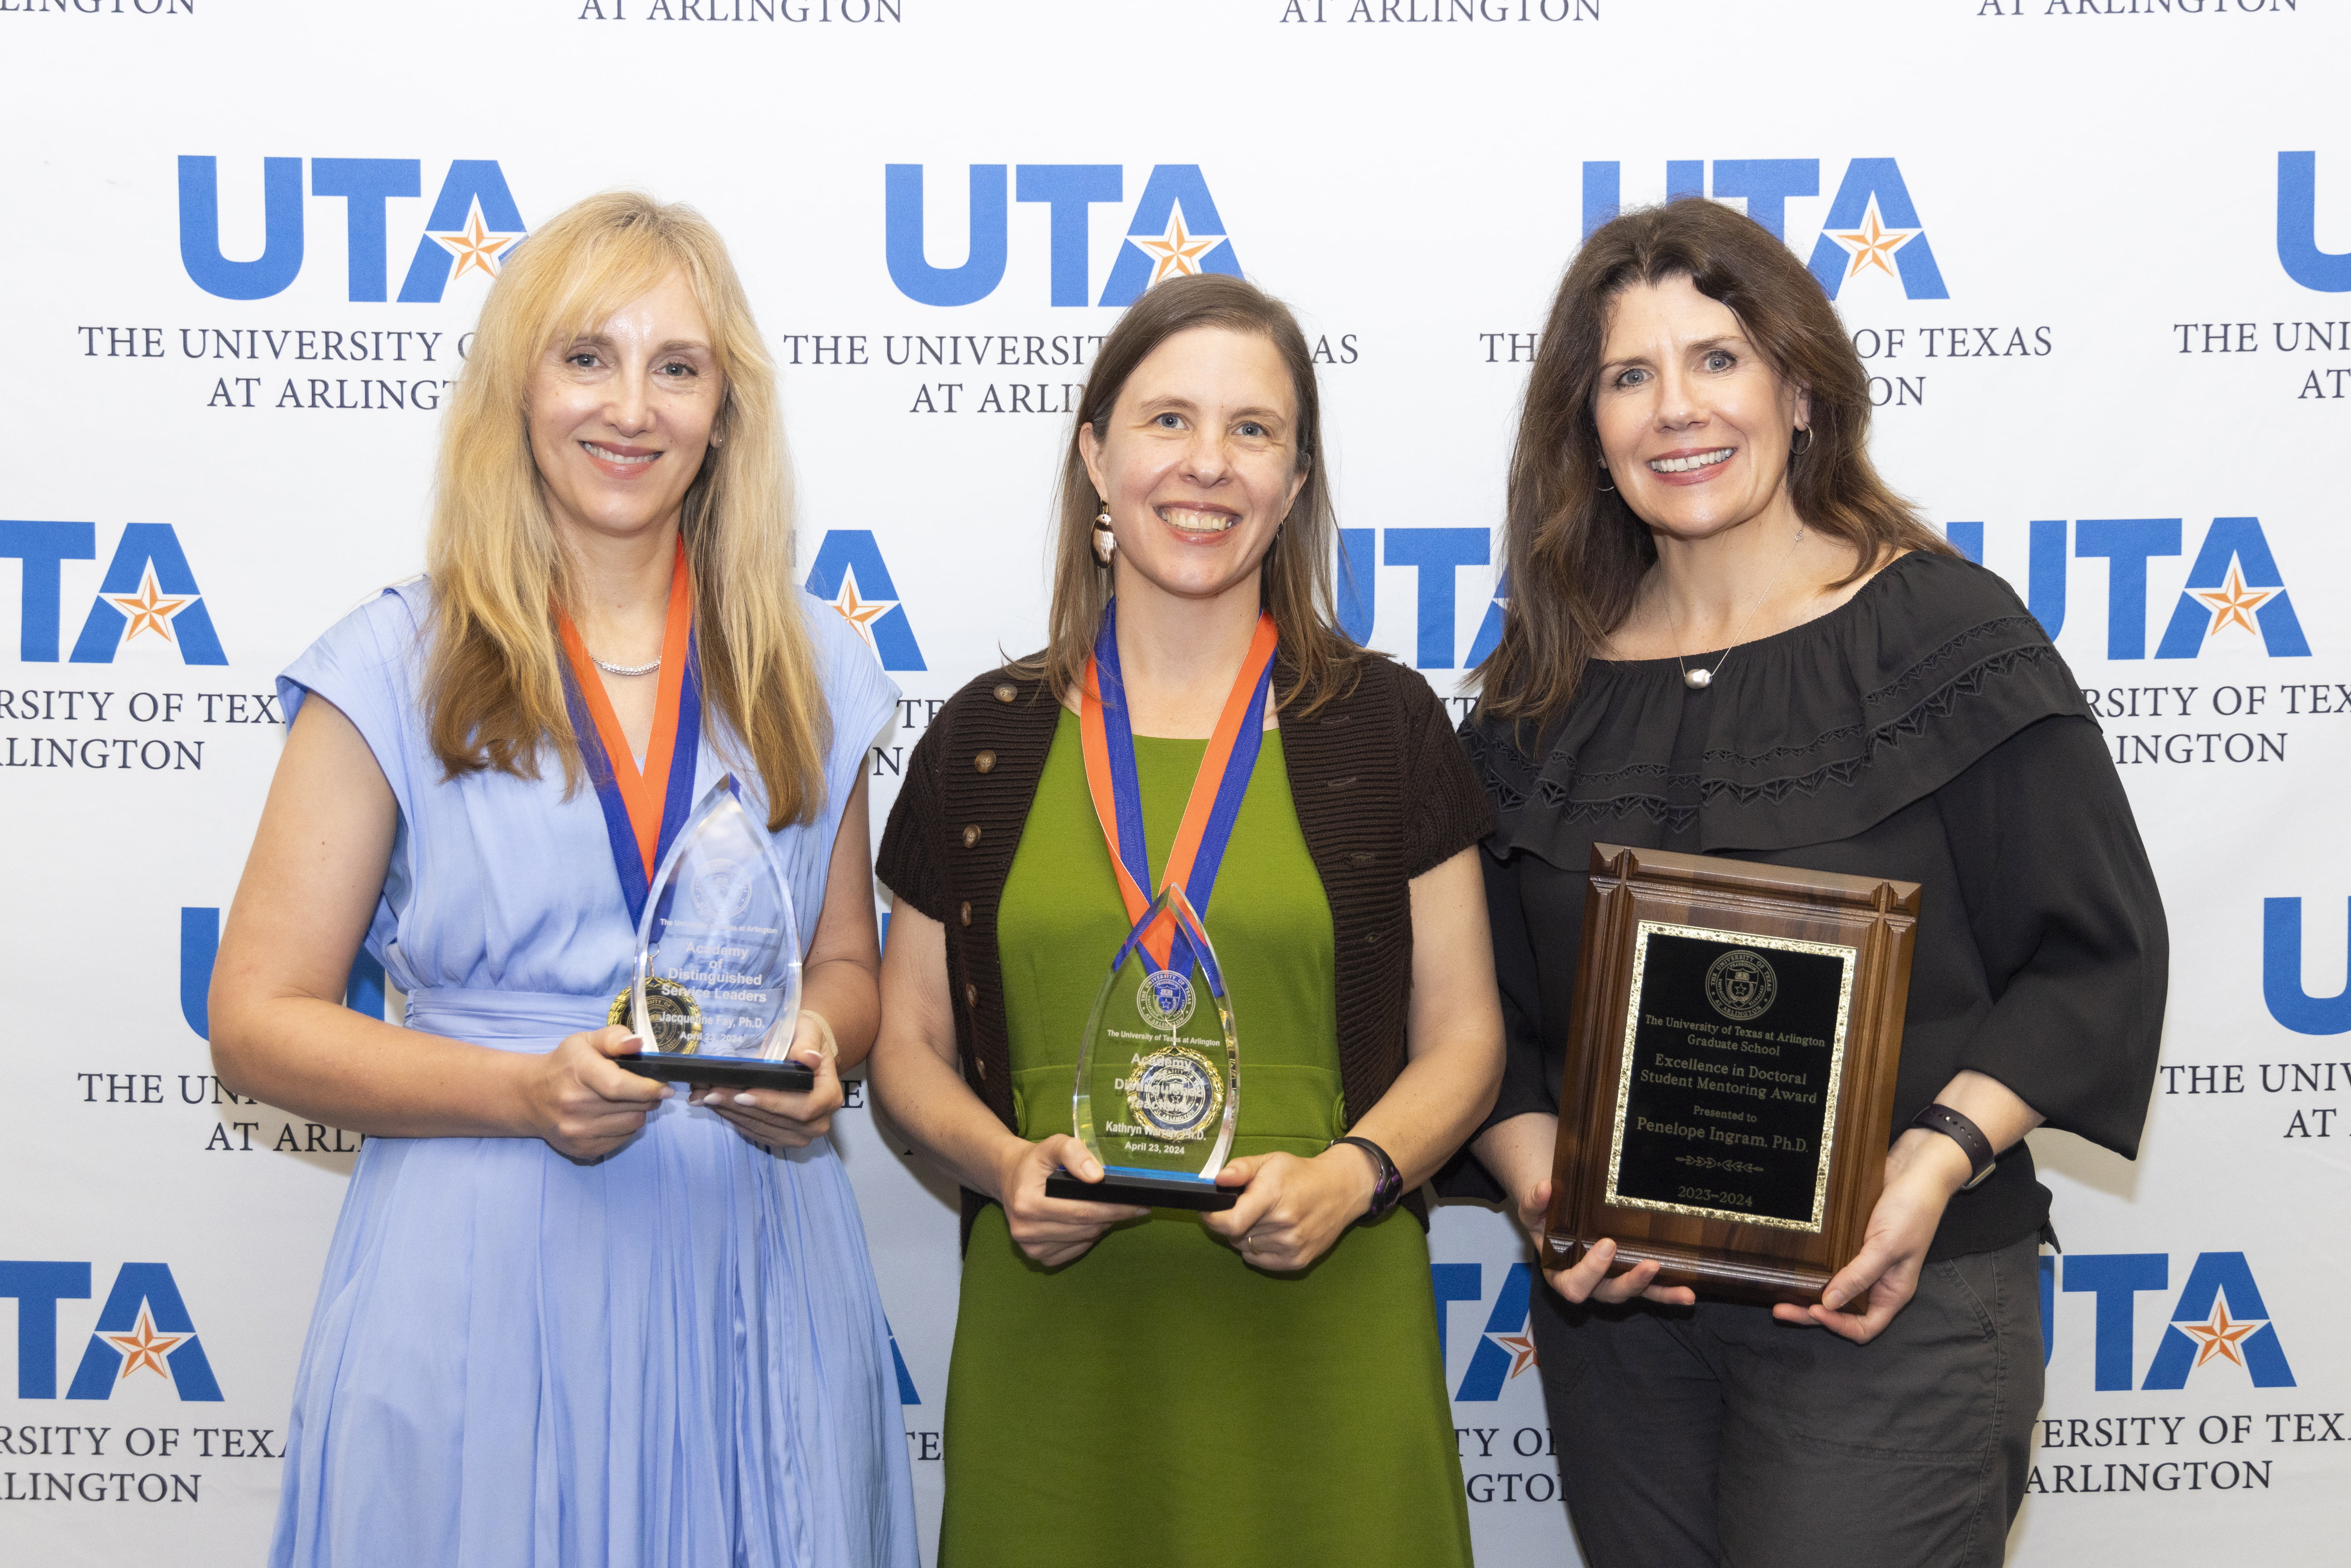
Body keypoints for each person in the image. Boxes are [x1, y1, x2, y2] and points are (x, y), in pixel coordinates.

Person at [209, 192, 917, 1568]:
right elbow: (255, 1016)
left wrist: (820, 1046)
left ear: (728, 410)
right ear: (515, 386)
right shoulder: (393, 662)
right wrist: (518, 1091)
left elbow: (844, 963)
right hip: (480, 1262)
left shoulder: (814, 667)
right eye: (586, 355)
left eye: (678, 365)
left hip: (752, 1271)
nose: (631, 407)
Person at [1459, 199, 2166, 1568]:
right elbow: (1470, 1008)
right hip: (1628, 1341)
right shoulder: (1538, 698)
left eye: (1716, 359)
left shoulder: (1949, 636)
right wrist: (1542, 1178)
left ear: (1798, 387)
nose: (1677, 409)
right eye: (1628, 376)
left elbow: (2093, 956)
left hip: (1897, 1307)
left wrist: (1931, 1165)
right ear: (1587, 432)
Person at [868, 272, 1503, 1568]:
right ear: (1096, 456)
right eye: (1168, 421)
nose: (1207, 465)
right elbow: (904, 1047)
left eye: (1254, 430)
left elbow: (1467, 1039)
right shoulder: (983, 743)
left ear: (1295, 476)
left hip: (1331, 1324)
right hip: (1059, 1344)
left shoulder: (1386, 729)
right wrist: (1001, 1170)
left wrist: (1358, 1173)